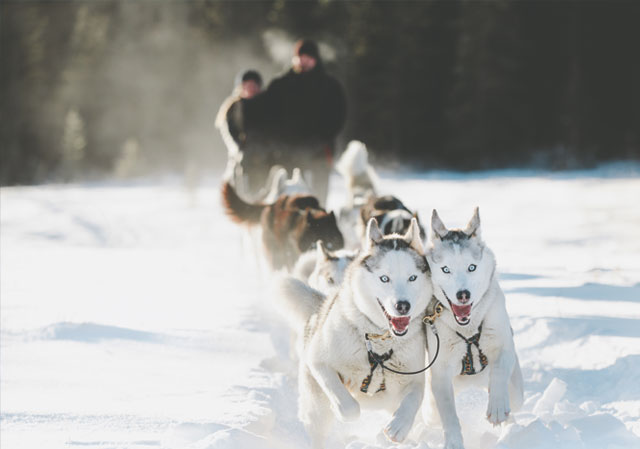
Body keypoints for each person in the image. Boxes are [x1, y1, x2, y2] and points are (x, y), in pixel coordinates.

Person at [236, 39, 347, 206]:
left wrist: (315, 143)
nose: (303, 61)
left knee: (317, 202)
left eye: (308, 58)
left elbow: (337, 118)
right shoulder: (281, 85)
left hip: (319, 155)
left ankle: (319, 231)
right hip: (286, 155)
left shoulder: (330, 87)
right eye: (300, 57)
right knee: (286, 203)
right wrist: (246, 104)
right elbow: (265, 115)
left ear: (316, 59)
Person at [215, 70, 263, 193]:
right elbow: (229, 134)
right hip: (241, 160)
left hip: (263, 159)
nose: (251, 88)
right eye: (247, 84)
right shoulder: (233, 108)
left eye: (254, 85)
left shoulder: (266, 105)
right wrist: (241, 149)